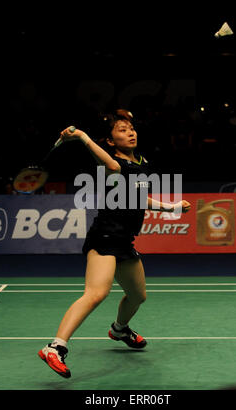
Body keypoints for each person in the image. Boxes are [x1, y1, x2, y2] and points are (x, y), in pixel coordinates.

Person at [38, 109, 191, 378]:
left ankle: (119, 329)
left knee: (138, 296)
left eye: (131, 128)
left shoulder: (142, 162)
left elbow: (137, 198)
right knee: (96, 293)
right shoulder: (110, 165)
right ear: (109, 141)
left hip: (124, 240)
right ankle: (55, 347)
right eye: (122, 130)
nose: (130, 132)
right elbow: (111, 166)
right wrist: (82, 136)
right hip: (105, 236)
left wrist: (171, 206)